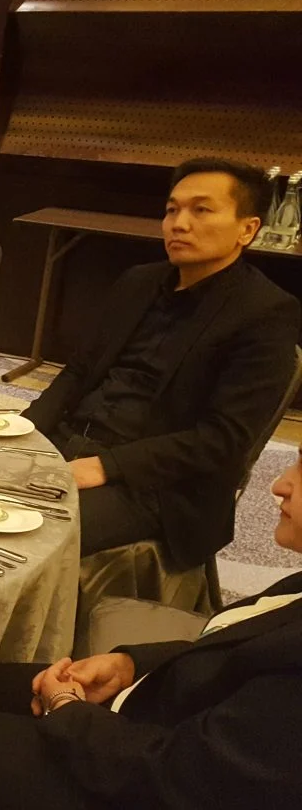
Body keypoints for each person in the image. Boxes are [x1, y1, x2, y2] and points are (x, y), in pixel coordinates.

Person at [0, 443, 302, 810]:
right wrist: (130, 664)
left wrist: (66, 711)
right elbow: (232, 648)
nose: (280, 484)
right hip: (155, 718)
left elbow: (185, 779)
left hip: (139, 779)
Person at [24, 158, 300, 567]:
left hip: (157, 486)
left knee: (28, 527)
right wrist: (23, 432)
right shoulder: (138, 281)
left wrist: (106, 466)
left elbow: (221, 438)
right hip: (69, 443)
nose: (179, 224)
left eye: (201, 210)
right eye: (172, 210)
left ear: (248, 229)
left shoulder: (265, 312)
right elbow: (79, 372)